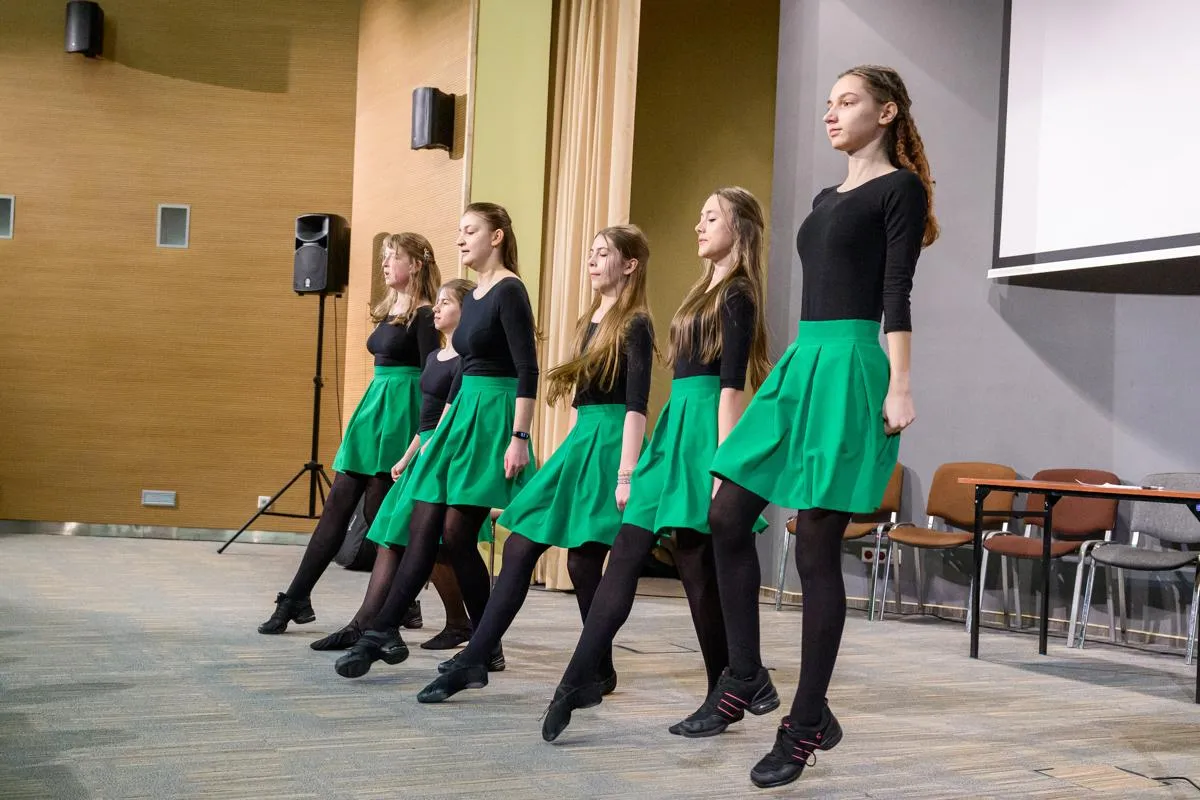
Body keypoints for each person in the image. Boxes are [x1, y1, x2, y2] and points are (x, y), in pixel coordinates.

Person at [704, 65, 937, 788]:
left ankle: (805, 723)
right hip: (803, 363)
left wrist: (900, 382)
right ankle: (747, 673)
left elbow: (897, 292)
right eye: (829, 103)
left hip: (851, 366)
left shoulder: (899, 189)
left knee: (814, 548)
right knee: (727, 515)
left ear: (887, 112)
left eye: (848, 101)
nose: (831, 113)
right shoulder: (823, 197)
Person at [540, 189, 770, 742]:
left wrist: (724, 466)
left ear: (739, 229)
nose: (698, 226)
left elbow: (732, 388)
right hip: (676, 426)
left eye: (710, 217)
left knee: (695, 566)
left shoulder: (738, 293)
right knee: (627, 552)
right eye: (700, 216)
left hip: (706, 432)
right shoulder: (702, 289)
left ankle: (729, 687)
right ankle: (575, 681)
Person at [417, 225, 655, 703]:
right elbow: (582, 402)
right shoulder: (590, 320)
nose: (592, 260)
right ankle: (481, 657)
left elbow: (636, 407)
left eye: (603, 253)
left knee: (584, 562)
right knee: (524, 544)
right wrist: (569, 452)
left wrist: (626, 473)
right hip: (582, 440)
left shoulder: (636, 324)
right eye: (591, 252)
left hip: (612, 445)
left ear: (630, 265)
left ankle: (591, 667)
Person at [333, 202, 539, 678]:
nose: (461, 239)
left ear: (497, 237)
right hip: (462, 415)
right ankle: (400, 631)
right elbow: (461, 371)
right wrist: (436, 433)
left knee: (456, 532)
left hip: (493, 414)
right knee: (431, 524)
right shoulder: (477, 293)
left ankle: (398, 632)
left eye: (471, 230)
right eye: (460, 231)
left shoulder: (509, 290)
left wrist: (519, 436)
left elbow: (527, 368)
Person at [258, 233, 440, 635]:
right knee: (336, 507)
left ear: (416, 265)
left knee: (378, 515)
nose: (385, 264)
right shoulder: (390, 308)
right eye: (385, 257)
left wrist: (423, 436)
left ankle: (403, 604)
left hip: (401, 414)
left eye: (393, 257)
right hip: (374, 409)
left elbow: (434, 376)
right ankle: (296, 597)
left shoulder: (426, 314)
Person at [308, 279, 476, 652]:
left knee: (425, 540)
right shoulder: (436, 358)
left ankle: (461, 630)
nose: (436, 308)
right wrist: (407, 456)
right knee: (397, 535)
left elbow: (449, 419)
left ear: (467, 313)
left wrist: (429, 454)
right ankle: (383, 624)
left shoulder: (467, 362)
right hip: (423, 452)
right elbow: (427, 419)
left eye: (446, 303)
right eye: (438, 302)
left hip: (440, 456)